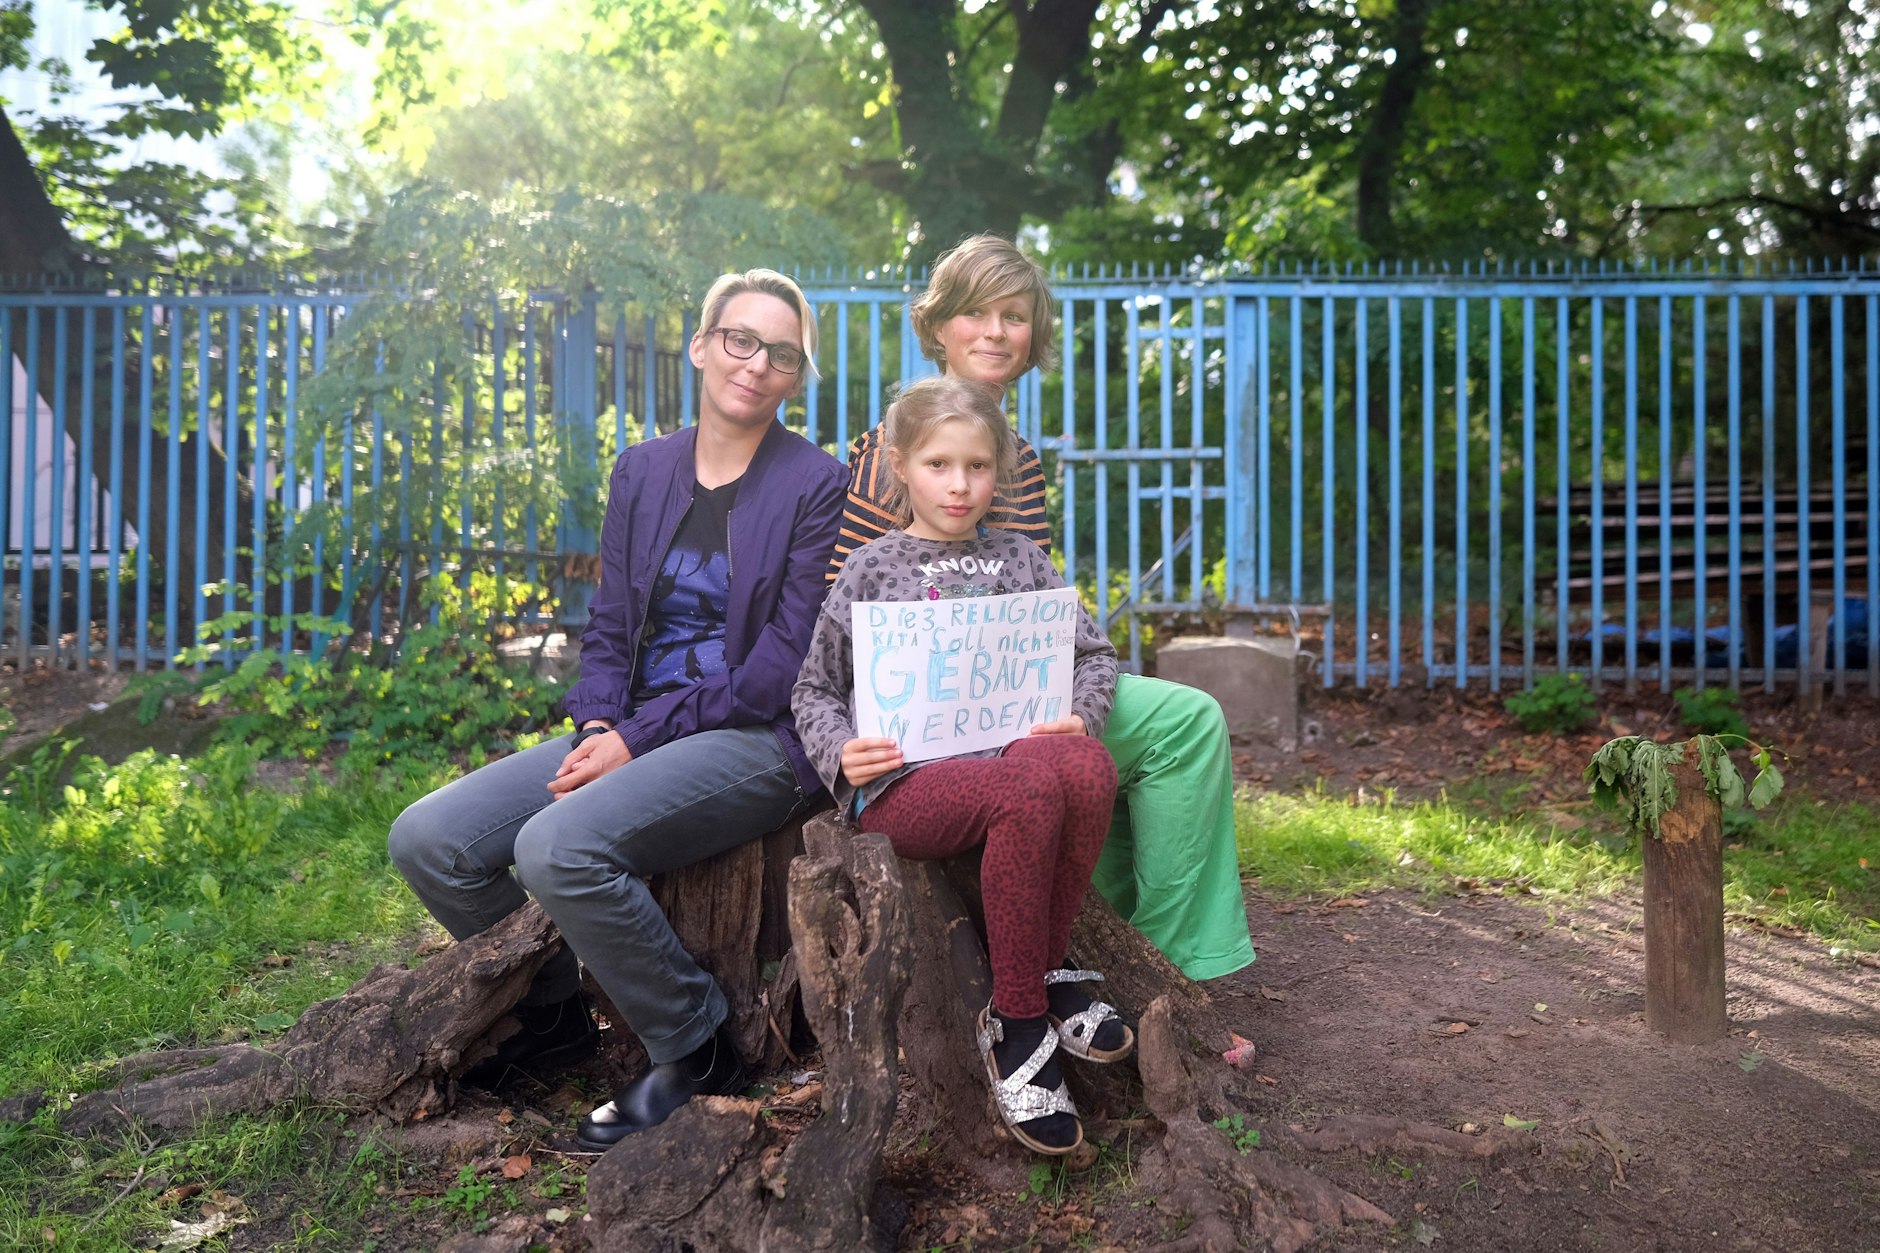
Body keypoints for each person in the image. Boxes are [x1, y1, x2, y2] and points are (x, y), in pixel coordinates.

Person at [388, 269, 848, 1149]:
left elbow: (774, 672)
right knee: (431, 840)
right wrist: (601, 722)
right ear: (702, 344)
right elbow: (608, 626)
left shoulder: (814, 484)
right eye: (741, 340)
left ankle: (697, 1044)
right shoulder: (641, 471)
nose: (756, 364)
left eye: (782, 353)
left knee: (558, 845)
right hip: (634, 725)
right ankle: (550, 1018)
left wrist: (634, 736)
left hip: (755, 739)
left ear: (794, 376)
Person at [827, 235, 1255, 982]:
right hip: (928, 730)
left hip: (1022, 700)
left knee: (1177, 725)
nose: (996, 331)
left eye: (1015, 315)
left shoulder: (1019, 457)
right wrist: (847, 741)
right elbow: (842, 620)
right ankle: (1155, 961)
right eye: (975, 312)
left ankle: (1157, 963)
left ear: (1035, 336)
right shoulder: (889, 449)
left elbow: (1047, 616)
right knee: (1180, 727)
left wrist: (1079, 708)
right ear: (937, 327)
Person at [794, 374, 1128, 1157]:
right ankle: (1013, 1026)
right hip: (904, 786)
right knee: (1029, 783)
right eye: (940, 464)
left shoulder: (1021, 560)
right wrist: (843, 754)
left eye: (978, 466)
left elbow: (1095, 653)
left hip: (1012, 763)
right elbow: (812, 687)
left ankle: (1043, 969)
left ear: (999, 472)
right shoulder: (872, 568)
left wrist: (1081, 715)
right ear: (901, 468)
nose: (959, 483)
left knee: (1082, 765)